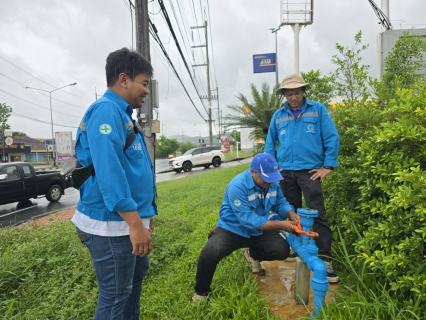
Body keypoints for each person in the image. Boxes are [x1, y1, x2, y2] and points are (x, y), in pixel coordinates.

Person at [71, 48, 157, 319]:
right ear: (123, 79)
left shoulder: (123, 115)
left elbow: (133, 170)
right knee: (116, 295)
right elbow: (110, 173)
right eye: (143, 83)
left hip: (129, 223)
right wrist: (135, 223)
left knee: (132, 286)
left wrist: (145, 216)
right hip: (111, 226)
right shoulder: (106, 111)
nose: (146, 90)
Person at [264, 73, 340, 283]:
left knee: (317, 214)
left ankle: (325, 258)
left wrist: (328, 166)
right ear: (284, 95)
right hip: (285, 173)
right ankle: (297, 249)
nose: (293, 97)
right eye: (289, 94)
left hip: (310, 172)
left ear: (303, 92)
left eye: (296, 93)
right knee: (291, 212)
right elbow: (270, 144)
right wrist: (272, 172)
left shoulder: (317, 110)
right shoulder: (279, 116)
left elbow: (332, 137)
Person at [193, 153, 300, 300]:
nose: (270, 181)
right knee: (210, 253)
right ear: (253, 172)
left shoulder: (272, 182)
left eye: (272, 177)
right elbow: (248, 221)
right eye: (266, 177)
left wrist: (290, 212)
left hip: (258, 230)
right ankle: (201, 293)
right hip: (232, 229)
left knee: (281, 251)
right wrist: (282, 224)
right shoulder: (237, 186)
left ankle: (252, 255)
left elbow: (280, 202)